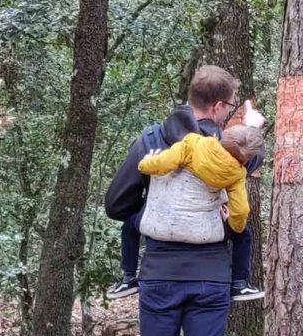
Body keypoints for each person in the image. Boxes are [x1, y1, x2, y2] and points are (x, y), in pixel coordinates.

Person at [104, 65, 260, 336]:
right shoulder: (229, 151)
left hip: (157, 276)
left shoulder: (152, 141)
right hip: (210, 278)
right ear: (218, 106)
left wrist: (151, 216)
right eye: (229, 107)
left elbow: (116, 204)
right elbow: (247, 177)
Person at [107, 111, 265, 302]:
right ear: (245, 160)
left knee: (130, 225)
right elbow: (241, 210)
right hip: (204, 226)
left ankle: (128, 277)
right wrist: (234, 224)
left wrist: (146, 164)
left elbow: (165, 162)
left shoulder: (193, 143)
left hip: (164, 218)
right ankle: (239, 284)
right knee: (243, 235)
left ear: (222, 138)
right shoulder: (237, 174)